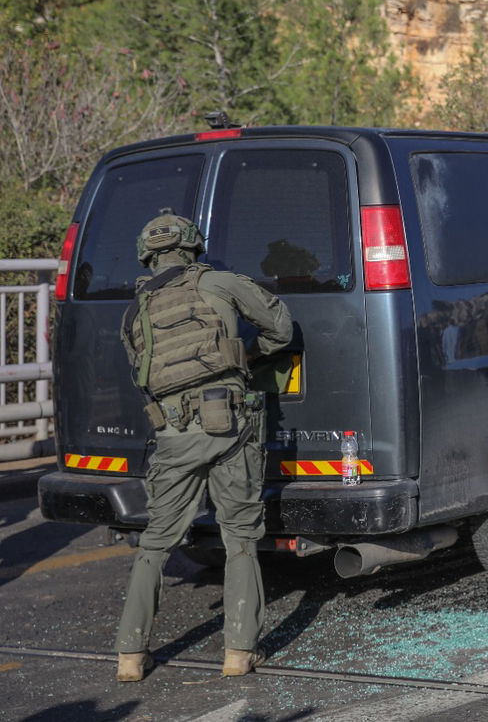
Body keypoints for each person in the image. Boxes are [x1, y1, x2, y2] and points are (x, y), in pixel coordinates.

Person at [114, 210, 293, 682]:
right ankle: (238, 653)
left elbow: (143, 376)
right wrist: (243, 355)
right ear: (193, 246)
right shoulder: (222, 284)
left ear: (147, 255)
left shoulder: (135, 310)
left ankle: (130, 656)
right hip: (229, 426)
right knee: (240, 540)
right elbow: (282, 328)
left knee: (154, 544)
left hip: (172, 436)